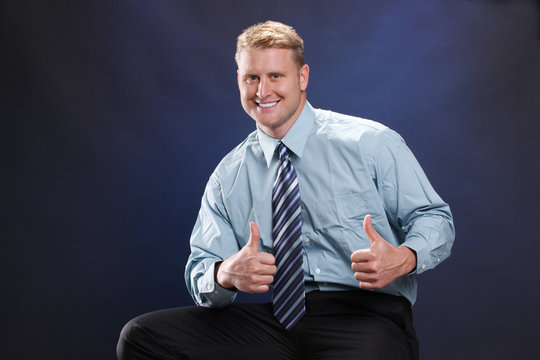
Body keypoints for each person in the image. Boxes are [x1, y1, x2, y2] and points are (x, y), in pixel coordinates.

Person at [117, 20, 454, 360]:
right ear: (239, 81)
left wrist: (404, 258)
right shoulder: (228, 176)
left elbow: (434, 217)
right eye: (252, 78)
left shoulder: (369, 142)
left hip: (365, 316)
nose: (263, 91)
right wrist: (225, 273)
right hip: (279, 321)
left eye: (275, 76)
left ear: (302, 77)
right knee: (142, 337)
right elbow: (202, 267)